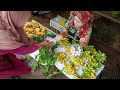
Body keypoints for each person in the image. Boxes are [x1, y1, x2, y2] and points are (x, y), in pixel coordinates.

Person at [0, 11, 53, 79]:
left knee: (9, 56)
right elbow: (24, 50)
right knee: (11, 67)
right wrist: (40, 45)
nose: (24, 23)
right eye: (22, 21)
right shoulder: (5, 38)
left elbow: (17, 30)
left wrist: (29, 40)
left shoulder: (5, 18)